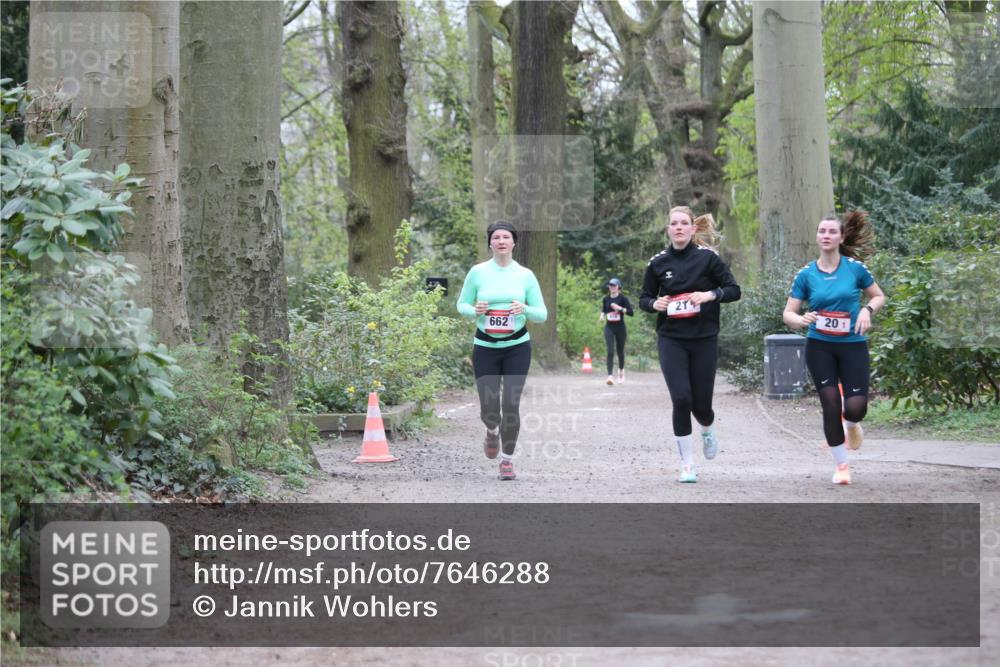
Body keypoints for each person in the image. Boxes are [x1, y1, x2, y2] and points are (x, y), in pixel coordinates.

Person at [783, 211, 885, 486]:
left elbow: (878, 295)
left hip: (852, 345)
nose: (826, 236)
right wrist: (801, 319)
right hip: (820, 345)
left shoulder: (855, 269)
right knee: (830, 403)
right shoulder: (806, 275)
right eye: (822, 231)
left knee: (855, 407)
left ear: (841, 237)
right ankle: (841, 466)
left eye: (831, 232)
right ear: (817, 237)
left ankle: (851, 425)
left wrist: (866, 311)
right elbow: (788, 314)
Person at [639, 206, 741, 483]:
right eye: (674, 223)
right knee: (681, 398)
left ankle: (707, 429)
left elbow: (734, 291)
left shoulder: (709, 259)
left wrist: (709, 295)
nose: (679, 228)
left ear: (693, 229)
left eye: (685, 223)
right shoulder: (658, 262)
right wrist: (654, 304)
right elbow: (644, 298)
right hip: (671, 339)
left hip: (704, 338)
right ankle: (687, 464)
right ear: (669, 229)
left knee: (702, 406)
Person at [457, 221, 548, 481]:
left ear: (514, 243)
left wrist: (525, 310)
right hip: (485, 346)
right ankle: (492, 430)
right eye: (496, 237)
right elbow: (461, 304)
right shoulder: (477, 273)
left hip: (517, 347)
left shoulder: (526, 275)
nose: (501, 241)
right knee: (489, 408)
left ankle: (507, 460)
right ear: (490, 243)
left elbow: (542, 314)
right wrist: (474, 310)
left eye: (506, 237)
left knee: (511, 404)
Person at [600, 278, 634, 385]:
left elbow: (631, 312)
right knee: (610, 350)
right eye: (610, 285)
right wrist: (601, 316)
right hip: (609, 327)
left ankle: (621, 371)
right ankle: (610, 376)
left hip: (620, 328)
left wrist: (619, 308)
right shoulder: (606, 299)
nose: (612, 287)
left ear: (619, 287)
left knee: (620, 351)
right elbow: (604, 310)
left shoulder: (623, 299)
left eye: (614, 285)